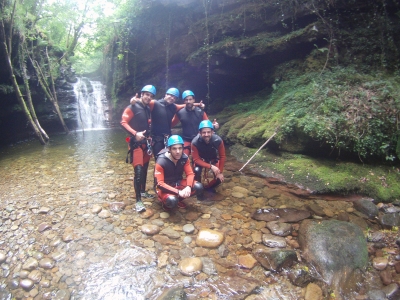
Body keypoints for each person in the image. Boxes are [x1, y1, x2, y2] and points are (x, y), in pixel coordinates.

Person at [130, 88, 205, 157]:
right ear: (166, 95)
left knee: (170, 160)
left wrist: (199, 104)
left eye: (174, 97)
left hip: (168, 138)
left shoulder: (174, 107)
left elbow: (186, 104)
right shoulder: (154, 103)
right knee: (159, 160)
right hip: (156, 139)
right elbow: (144, 102)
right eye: (171, 95)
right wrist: (134, 100)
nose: (172, 98)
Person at [120, 85, 155, 212]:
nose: (148, 97)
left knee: (145, 169)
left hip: (146, 143)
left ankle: (143, 191)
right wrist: (135, 133)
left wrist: (196, 104)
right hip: (136, 143)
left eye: (151, 96)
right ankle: (138, 201)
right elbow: (123, 123)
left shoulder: (148, 107)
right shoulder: (132, 107)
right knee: (138, 171)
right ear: (141, 94)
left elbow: (168, 102)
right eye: (147, 94)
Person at [154, 135, 204, 210]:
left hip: (177, 182)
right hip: (164, 187)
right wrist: (178, 192)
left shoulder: (184, 158)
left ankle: (178, 199)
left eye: (180, 148)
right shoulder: (161, 162)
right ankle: (166, 202)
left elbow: (190, 174)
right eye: (174, 149)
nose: (178, 152)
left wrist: (188, 186)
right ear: (169, 149)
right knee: (172, 201)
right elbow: (160, 184)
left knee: (198, 187)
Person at [171, 90, 219, 156]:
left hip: (199, 139)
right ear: (184, 101)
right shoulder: (180, 113)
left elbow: (208, 125)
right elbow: (171, 124)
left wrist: (214, 125)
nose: (188, 101)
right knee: (183, 158)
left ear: (194, 100)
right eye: (186, 100)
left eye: (190, 99)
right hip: (186, 140)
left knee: (199, 160)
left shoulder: (200, 112)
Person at [191, 120, 226, 193]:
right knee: (197, 170)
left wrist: (220, 172)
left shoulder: (218, 140)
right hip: (201, 161)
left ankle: (208, 189)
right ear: (199, 133)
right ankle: (198, 188)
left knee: (219, 178)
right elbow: (196, 160)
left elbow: (222, 156)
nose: (206, 134)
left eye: (208, 132)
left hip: (213, 160)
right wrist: (211, 166)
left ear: (212, 132)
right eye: (204, 132)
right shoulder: (195, 142)